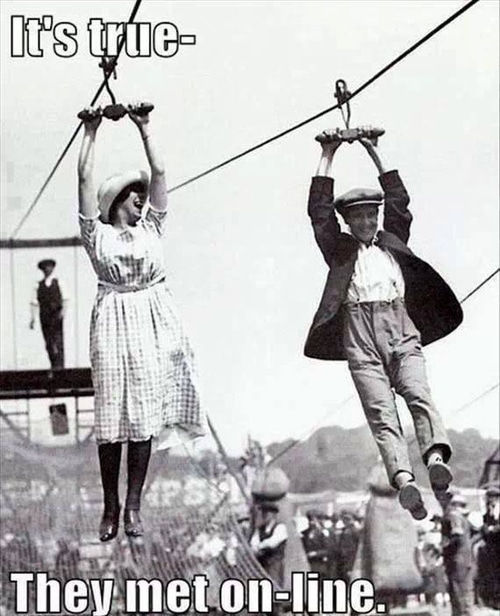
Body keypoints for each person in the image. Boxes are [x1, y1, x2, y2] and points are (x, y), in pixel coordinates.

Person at [304, 129, 463, 519]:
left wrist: (376, 150)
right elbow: (318, 212)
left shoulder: (393, 239)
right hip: (360, 337)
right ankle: (405, 479)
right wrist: (328, 154)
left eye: (370, 214)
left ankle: (436, 458)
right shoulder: (339, 251)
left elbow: (399, 199)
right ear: (348, 221)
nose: (366, 221)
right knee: (381, 412)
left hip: (400, 327)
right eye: (357, 216)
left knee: (417, 392)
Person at [77, 104, 206, 542]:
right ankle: (110, 504)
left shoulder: (152, 229)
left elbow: (162, 172)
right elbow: (82, 181)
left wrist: (144, 127)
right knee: (112, 414)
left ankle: (133, 504)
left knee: (145, 414)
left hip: (152, 320)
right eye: (134, 195)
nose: (141, 199)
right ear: (117, 202)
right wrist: (91, 132)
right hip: (113, 318)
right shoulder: (98, 235)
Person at [30, 259, 67, 368]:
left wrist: (62, 313)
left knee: (58, 340)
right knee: (49, 341)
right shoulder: (38, 285)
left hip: (56, 314)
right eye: (45, 268)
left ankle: (60, 366)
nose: (47, 269)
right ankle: (53, 364)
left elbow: (65, 299)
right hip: (44, 315)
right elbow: (34, 303)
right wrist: (33, 318)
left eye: (49, 267)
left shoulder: (59, 282)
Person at [441, 492, 474, 616]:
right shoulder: (463, 518)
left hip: (457, 559)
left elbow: (457, 534)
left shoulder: (454, 516)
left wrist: (444, 546)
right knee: (464, 592)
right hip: (465, 558)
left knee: (459, 592)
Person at [250, 501, 288, 585]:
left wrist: (259, 546)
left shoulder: (280, 527)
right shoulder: (259, 529)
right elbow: (253, 543)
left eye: (267, 512)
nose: (264, 515)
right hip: (261, 564)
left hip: (274, 565)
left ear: (273, 514)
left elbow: (272, 543)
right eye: (263, 512)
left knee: (274, 587)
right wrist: (256, 547)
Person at [301, 509, 331, 579]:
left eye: (313, 520)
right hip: (308, 564)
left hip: (319, 564)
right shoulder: (305, 533)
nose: (311, 522)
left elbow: (328, 550)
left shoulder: (323, 532)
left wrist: (316, 553)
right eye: (309, 520)